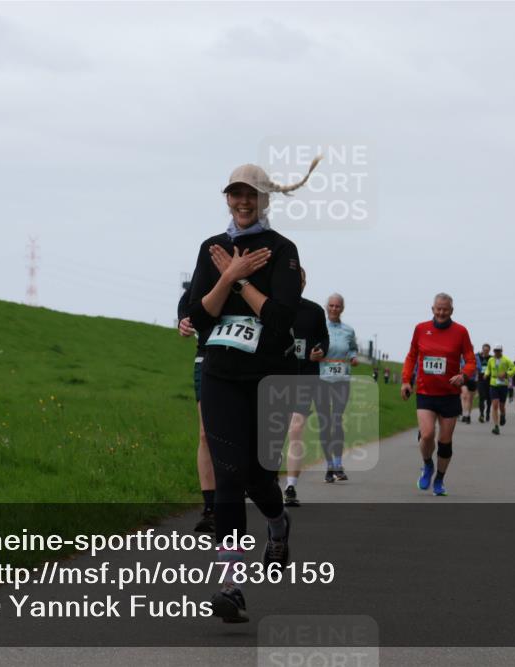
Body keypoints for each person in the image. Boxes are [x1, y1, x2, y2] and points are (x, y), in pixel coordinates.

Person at [187, 158, 318, 623]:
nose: (243, 202)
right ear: (227, 197)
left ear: (265, 200)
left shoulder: (283, 250)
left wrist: (240, 280)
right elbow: (194, 315)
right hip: (222, 374)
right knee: (228, 475)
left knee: (260, 477)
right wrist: (224, 275)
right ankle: (230, 585)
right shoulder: (211, 247)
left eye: (252, 195)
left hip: (268, 378)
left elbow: (282, 318)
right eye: (235, 193)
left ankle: (278, 525)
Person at [401, 293, 476, 497]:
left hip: (450, 394)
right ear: (432, 309)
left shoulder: (461, 332)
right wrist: (406, 380)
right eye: (438, 308)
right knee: (426, 435)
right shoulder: (420, 329)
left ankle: (440, 479)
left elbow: (470, 360)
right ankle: (427, 465)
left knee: (444, 441)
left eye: (445, 309)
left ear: (451, 310)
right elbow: (411, 356)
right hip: (426, 392)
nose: (441, 312)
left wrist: (464, 376)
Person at [284, 268, 328, 508]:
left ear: (305, 283)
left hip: (305, 377)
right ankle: (261, 480)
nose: (296, 284)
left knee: (296, 429)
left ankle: (290, 486)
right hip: (277, 378)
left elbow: (324, 338)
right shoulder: (271, 306)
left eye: (300, 281)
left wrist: (320, 350)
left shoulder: (314, 311)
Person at [177, 286, 216, 532]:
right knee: (205, 433)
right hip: (207, 358)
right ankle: (210, 508)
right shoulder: (205, 275)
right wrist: (183, 322)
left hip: (245, 362)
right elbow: (186, 309)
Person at [317, 293, 358, 483]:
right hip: (322, 380)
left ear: (342, 308)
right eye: (331, 305)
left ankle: (338, 464)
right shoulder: (318, 327)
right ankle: (329, 466)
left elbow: (352, 348)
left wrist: (353, 357)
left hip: (341, 380)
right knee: (325, 423)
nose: (334, 309)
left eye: (338, 306)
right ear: (327, 307)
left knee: (337, 420)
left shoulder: (348, 330)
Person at [484, 344, 515, 435]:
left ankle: (503, 415)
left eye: (498, 350)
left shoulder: (506, 360)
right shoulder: (491, 360)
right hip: (493, 383)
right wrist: (486, 374)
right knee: (494, 405)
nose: (496, 352)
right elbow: (488, 369)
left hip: (503, 384)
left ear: (501, 351)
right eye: (495, 350)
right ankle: (496, 426)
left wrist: (506, 374)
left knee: (501, 406)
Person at [475, 343, 492, 423]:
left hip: (490, 381)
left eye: (487, 350)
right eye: (484, 350)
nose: (485, 351)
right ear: (482, 349)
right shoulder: (478, 357)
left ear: (489, 351)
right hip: (481, 380)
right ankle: (481, 414)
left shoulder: (491, 358)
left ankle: (488, 412)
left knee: (489, 399)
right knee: (482, 397)